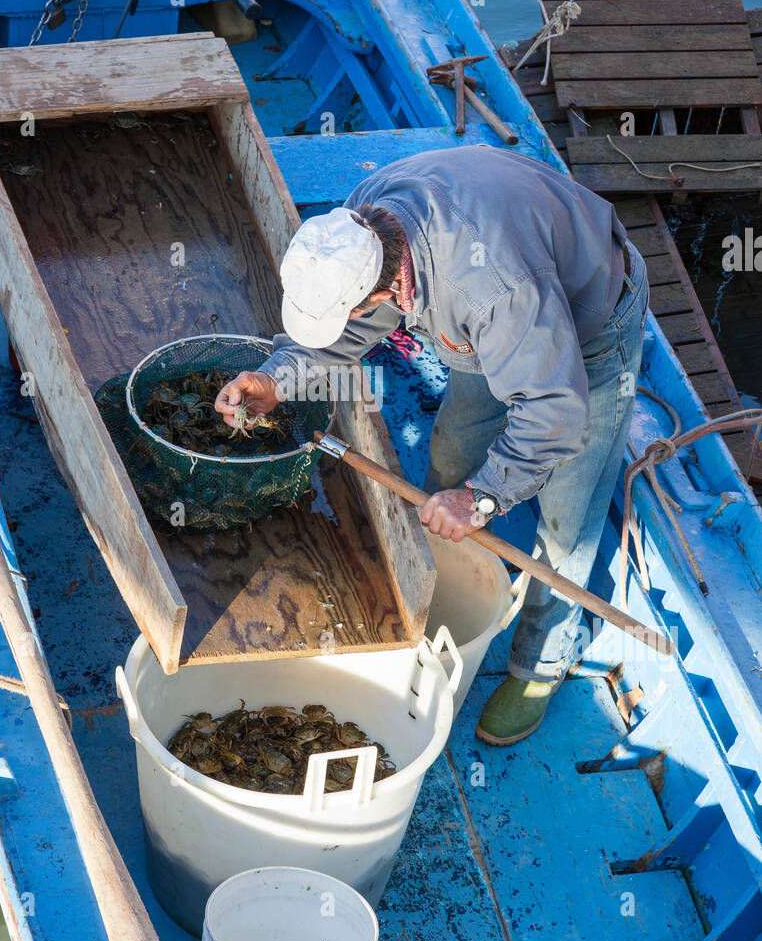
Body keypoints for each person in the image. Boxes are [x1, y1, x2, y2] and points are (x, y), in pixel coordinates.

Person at [215, 146, 649, 746]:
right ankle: (444, 574)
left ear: (385, 286)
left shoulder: (493, 288)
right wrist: (276, 377)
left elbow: (554, 410)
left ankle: (539, 665)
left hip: (586, 321)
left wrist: (481, 499)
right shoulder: (361, 226)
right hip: (475, 327)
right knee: (450, 452)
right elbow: (356, 327)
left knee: (566, 519)